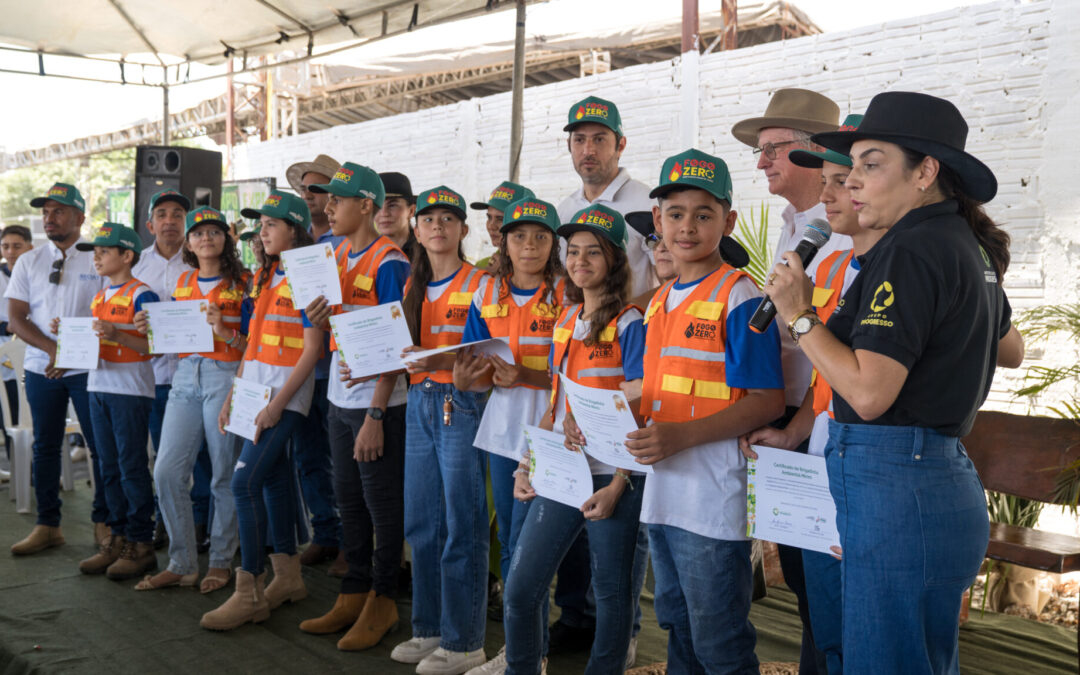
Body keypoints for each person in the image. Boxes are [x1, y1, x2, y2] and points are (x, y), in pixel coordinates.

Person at [762, 91, 1024, 674]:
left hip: (900, 481)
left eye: (871, 164)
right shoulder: (961, 243)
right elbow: (1011, 349)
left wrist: (799, 314)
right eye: (851, 166)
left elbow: (868, 394)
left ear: (925, 173)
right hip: (923, 478)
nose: (852, 181)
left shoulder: (912, 249)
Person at [627, 149, 785, 673]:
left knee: (719, 642)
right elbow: (657, 395)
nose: (687, 227)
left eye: (703, 214)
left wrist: (680, 437)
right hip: (664, 495)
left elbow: (767, 400)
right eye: (675, 214)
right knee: (678, 626)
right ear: (657, 221)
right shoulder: (658, 301)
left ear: (729, 222)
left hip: (713, 499)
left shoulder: (740, 297)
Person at [739, 113, 874, 673]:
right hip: (813, 428)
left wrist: (800, 317)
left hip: (867, 455)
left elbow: (856, 377)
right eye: (834, 179)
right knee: (812, 586)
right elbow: (824, 372)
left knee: (858, 610)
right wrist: (794, 430)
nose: (834, 192)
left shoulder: (882, 253)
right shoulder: (821, 242)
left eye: (848, 177)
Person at [504, 203, 646, 675]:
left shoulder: (630, 324)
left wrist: (620, 483)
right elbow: (555, 405)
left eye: (593, 252)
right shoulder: (565, 320)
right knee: (522, 588)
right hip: (564, 470)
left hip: (612, 476)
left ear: (615, 260)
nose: (580, 260)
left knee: (611, 594)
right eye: (573, 251)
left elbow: (641, 411)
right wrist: (526, 464)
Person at [554, 97, 655, 651]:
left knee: (621, 512)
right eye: (579, 139)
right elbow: (571, 285)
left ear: (620, 144)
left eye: (599, 138)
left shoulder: (645, 204)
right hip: (581, 368)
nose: (588, 149)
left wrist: (623, 318)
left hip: (630, 361)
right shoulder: (566, 206)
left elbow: (669, 275)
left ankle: (622, 634)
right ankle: (577, 617)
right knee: (577, 501)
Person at [299, 163, 410, 651]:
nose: (328, 208)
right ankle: (354, 592)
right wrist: (320, 320)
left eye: (338, 200)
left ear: (366, 205)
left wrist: (376, 415)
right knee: (349, 502)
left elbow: (397, 347)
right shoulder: (333, 253)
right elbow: (336, 327)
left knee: (381, 507)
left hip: (376, 406)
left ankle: (383, 601)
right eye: (327, 200)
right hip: (339, 398)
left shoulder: (391, 263)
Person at [201, 191, 322, 631]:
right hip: (254, 392)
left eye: (272, 224)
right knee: (271, 478)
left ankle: (248, 591)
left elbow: (313, 350)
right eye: (261, 224)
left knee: (243, 482)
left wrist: (277, 405)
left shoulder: (308, 273)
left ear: (294, 229)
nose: (262, 231)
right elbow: (252, 344)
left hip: (283, 396)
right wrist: (234, 396)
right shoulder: (266, 275)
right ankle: (288, 577)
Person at [456, 197, 564, 675]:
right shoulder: (486, 291)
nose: (530, 245)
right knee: (510, 541)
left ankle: (526, 656)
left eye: (541, 236)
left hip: (550, 434)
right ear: (504, 242)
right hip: (502, 434)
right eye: (519, 236)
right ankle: (525, 652)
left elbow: (578, 375)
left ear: (554, 244)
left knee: (526, 550)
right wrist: (466, 380)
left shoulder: (567, 294)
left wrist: (525, 375)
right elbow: (474, 366)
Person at [391, 186, 490, 674]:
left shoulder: (481, 283)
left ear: (463, 229)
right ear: (416, 228)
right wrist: (364, 365)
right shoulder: (413, 286)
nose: (437, 226)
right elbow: (397, 353)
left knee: (461, 524)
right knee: (422, 524)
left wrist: (434, 360)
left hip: (460, 404)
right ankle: (428, 627)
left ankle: (464, 641)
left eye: (448, 219)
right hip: (419, 402)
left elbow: (487, 354)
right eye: (428, 219)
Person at [134, 206, 248, 593]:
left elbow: (254, 347)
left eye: (214, 232)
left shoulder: (245, 282)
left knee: (223, 474)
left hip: (227, 375)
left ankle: (220, 560)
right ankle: (182, 563)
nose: (205, 238)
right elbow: (168, 338)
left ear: (226, 239)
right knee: (166, 471)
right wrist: (147, 327)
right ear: (189, 242)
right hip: (184, 375)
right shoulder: (183, 282)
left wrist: (224, 331)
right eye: (198, 233)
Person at [7, 183, 107, 556]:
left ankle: (104, 521)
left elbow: (110, 313)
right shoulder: (29, 261)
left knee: (100, 446)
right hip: (42, 367)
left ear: (80, 217)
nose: (50, 218)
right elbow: (16, 319)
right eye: (46, 211)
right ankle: (48, 525)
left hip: (90, 370)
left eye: (59, 211)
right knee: (45, 446)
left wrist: (69, 355)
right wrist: (54, 350)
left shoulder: (100, 257)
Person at [66, 224, 159, 579]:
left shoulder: (144, 295)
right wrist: (68, 336)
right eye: (95, 252)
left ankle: (141, 543)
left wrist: (118, 334)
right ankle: (116, 538)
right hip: (98, 387)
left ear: (127, 256)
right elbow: (92, 343)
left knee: (131, 466)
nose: (97, 257)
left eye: (104, 251)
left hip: (131, 391)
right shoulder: (100, 296)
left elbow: (153, 348)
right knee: (106, 465)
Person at [132, 189, 204, 551]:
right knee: (164, 458)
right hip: (154, 377)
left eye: (178, 214)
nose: (170, 221)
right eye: (162, 214)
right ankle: (166, 521)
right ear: (150, 225)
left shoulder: (201, 260)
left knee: (203, 458)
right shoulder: (135, 266)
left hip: (198, 373)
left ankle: (202, 523)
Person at [286, 153, 345, 572]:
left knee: (342, 459)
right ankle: (325, 532)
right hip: (299, 366)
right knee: (308, 456)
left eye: (318, 188)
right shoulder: (294, 241)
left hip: (338, 368)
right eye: (304, 188)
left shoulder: (346, 242)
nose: (309, 195)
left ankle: (350, 542)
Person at [0, 224, 33, 463]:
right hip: (5, 360)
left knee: (38, 419)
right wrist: (11, 327)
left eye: (17, 246)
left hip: (36, 355)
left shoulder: (39, 274)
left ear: (30, 247)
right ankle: (18, 470)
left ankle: (37, 471)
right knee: (10, 417)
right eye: (5, 246)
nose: (11, 252)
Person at [470, 181, 535, 270]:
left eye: (500, 219)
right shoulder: (482, 266)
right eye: (489, 217)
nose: (491, 226)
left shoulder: (543, 268)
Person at [377, 172, 419, 260]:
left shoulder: (427, 252)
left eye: (392, 205)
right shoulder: (366, 252)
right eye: (378, 206)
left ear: (411, 211)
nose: (384, 213)